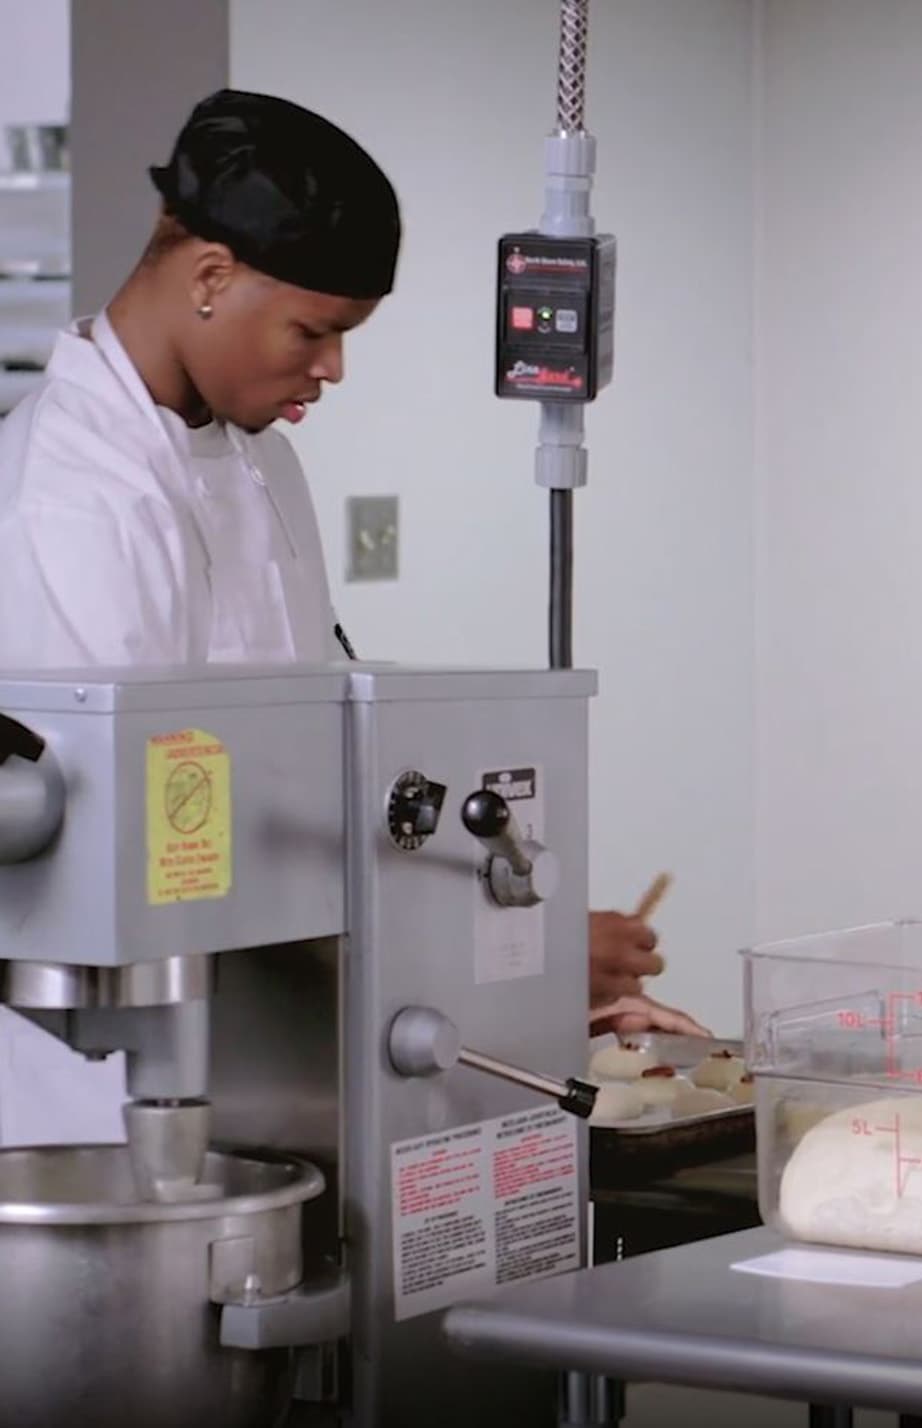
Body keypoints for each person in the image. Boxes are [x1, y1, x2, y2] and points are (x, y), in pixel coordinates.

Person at [0, 90, 702, 1142]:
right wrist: (524, 949)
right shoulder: (75, 493)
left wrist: (518, 944)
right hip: (114, 1091)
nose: (330, 367)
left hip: (264, 1036)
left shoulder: (255, 458)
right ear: (208, 278)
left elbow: (315, 763)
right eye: (313, 330)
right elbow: (168, 844)